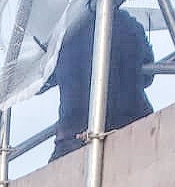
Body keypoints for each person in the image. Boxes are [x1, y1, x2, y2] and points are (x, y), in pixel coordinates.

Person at [46, 0, 154, 161]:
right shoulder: (129, 26)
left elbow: (44, 79)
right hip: (130, 126)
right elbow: (147, 75)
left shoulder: (66, 34)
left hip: (73, 136)